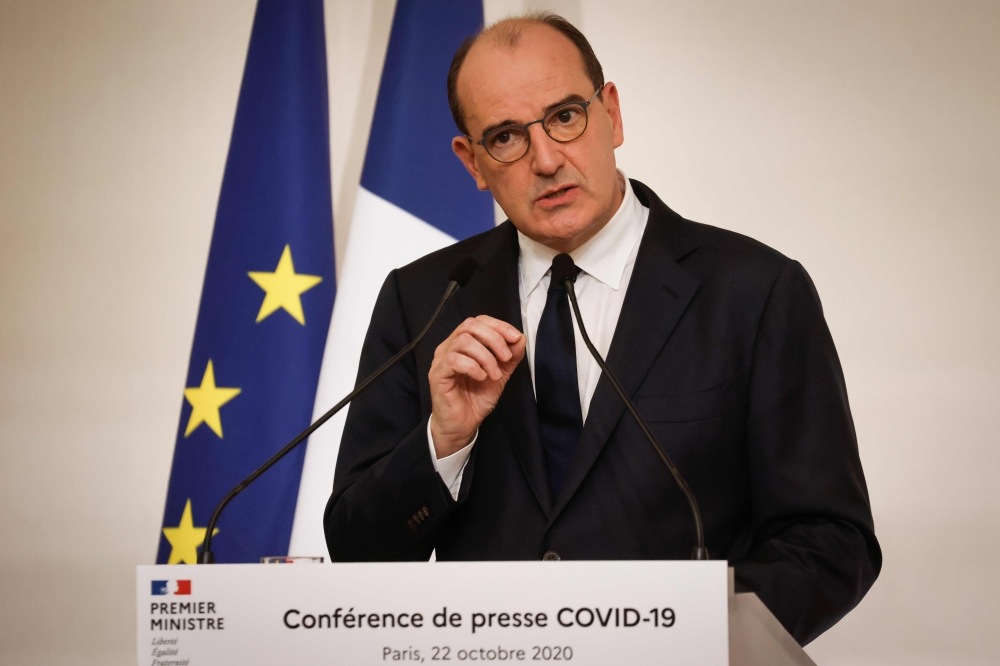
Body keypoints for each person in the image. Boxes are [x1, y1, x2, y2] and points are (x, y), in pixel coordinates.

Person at [324, 12, 880, 645]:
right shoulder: (422, 299)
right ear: (473, 162)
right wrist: (442, 442)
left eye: (565, 116)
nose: (545, 158)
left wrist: (681, 640)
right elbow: (356, 553)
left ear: (611, 113)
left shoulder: (754, 292)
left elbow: (832, 543)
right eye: (505, 136)